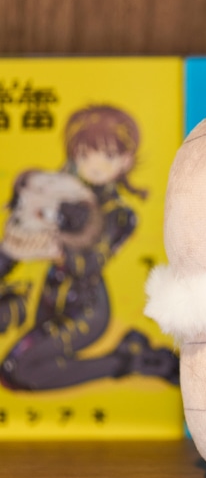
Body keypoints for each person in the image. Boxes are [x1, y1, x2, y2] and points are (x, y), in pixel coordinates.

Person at [0, 105, 178, 390]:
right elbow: (26, 227)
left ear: (126, 160)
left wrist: (58, 248)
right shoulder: (60, 190)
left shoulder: (118, 214)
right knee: (29, 366)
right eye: (84, 155)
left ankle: (134, 361)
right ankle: (132, 357)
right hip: (50, 300)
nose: (95, 165)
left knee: (16, 369)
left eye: (108, 155)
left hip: (85, 309)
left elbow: (90, 264)